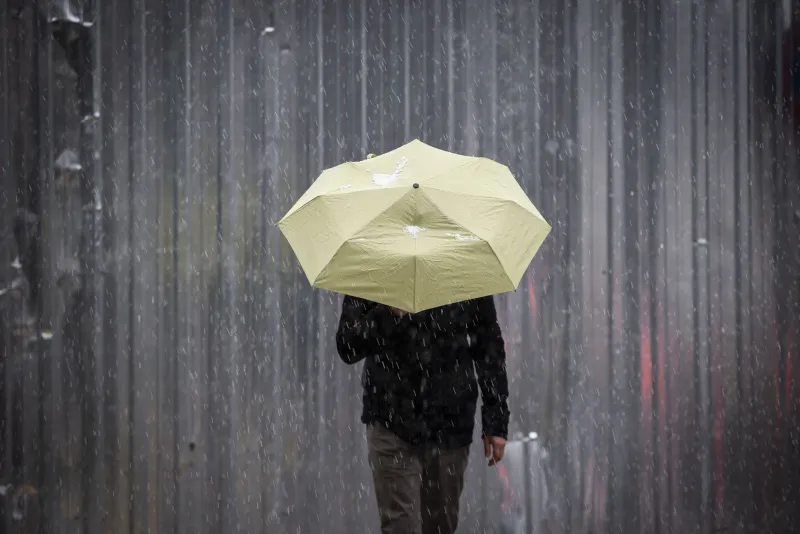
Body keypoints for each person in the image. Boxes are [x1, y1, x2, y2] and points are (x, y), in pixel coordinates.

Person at [336, 295, 509, 534]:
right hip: (391, 418)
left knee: (440, 526)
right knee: (400, 526)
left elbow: (487, 340)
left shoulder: (460, 265)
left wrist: (496, 418)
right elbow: (348, 344)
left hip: (450, 423)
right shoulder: (376, 265)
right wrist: (390, 313)